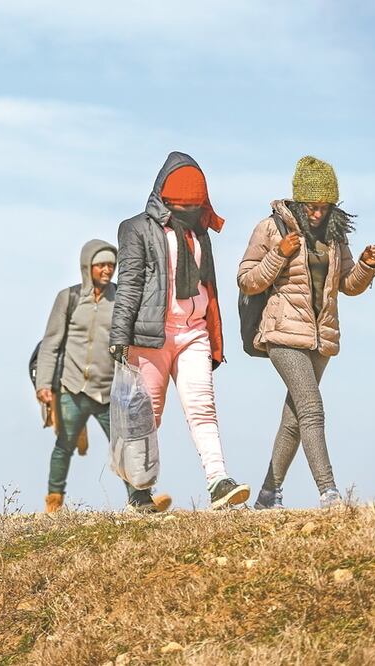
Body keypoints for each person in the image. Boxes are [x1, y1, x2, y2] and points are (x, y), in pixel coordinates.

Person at [237, 156, 375, 509]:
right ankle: (329, 493)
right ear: (298, 202)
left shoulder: (334, 236)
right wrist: (278, 255)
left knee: (294, 419)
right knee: (312, 408)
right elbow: (247, 280)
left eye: (324, 207)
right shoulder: (271, 229)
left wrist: (366, 266)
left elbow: (346, 285)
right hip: (282, 334)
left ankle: (268, 496)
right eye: (311, 207)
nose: (317, 213)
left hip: (320, 338)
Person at [109, 151, 250, 510]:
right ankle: (138, 492)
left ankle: (219, 481)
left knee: (203, 408)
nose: (192, 210)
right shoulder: (136, 228)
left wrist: (215, 334)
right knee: (147, 415)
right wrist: (119, 337)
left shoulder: (200, 232)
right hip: (150, 335)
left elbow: (210, 285)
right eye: (185, 204)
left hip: (193, 333)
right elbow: (129, 284)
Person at [35, 240, 171, 513]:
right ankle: (54, 500)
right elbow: (51, 343)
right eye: (101, 265)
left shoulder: (121, 297)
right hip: (73, 387)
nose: (107, 270)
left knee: (127, 445)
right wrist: (44, 385)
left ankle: (141, 499)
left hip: (111, 390)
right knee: (64, 444)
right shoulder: (68, 298)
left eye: (111, 265)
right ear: (88, 267)